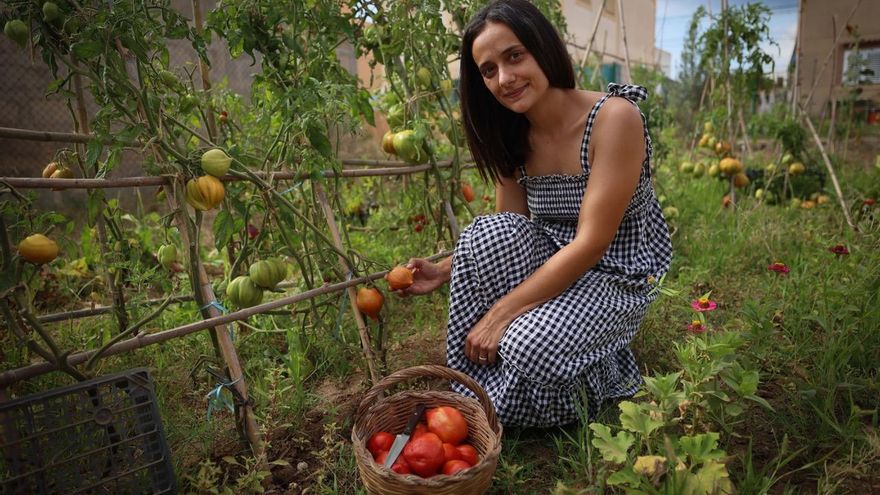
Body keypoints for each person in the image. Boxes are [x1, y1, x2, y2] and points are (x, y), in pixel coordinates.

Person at [397, 0, 672, 427]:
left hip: (616, 275)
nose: (505, 78)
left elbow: (591, 244)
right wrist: (445, 269)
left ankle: (604, 367)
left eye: (514, 56)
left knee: (525, 345)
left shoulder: (613, 119)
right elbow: (509, 230)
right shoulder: (513, 135)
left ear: (542, 47)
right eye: (489, 71)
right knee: (487, 232)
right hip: (552, 264)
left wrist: (502, 313)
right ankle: (479, 391)